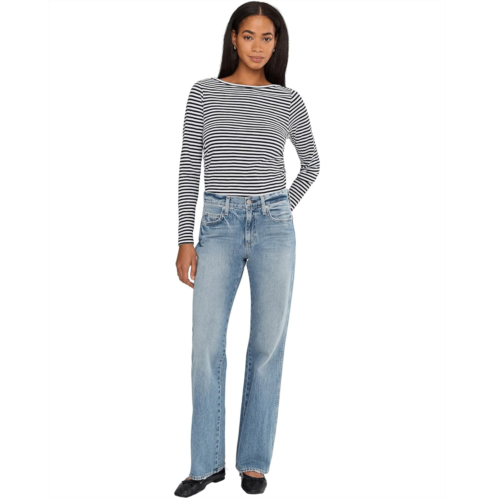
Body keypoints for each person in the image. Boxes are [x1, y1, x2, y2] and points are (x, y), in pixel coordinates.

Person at [174, 2, 320, 496]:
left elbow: (312, 163)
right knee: (205, 346)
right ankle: (205, 463)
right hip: (217, 225)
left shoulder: (287, 99)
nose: (258, 46)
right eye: (250, 36)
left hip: (275, 229)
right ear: (233, 38)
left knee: (266, 346)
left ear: (277, 44)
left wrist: (281, 207)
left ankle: (253, 462)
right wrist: (184, 239)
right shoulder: (205, 92)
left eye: (268, 37)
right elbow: (189, 166)